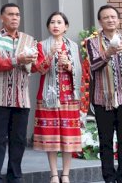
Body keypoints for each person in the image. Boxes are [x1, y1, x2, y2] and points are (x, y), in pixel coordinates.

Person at [0, 3, 41, 183]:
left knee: (19, 140)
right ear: (2, 17)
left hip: (21, 98)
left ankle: (14, 174)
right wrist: (18, 59)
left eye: (17, 14)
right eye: (10, 14)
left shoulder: (30, 40)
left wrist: (40, 61)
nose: (15, 18)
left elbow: (37, 67)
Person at [87, 5, 122, 183]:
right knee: (106, 142)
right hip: (103, 99)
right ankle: (109, 179)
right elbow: (93, 66)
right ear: (100, 21)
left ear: (118, 20)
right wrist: (108, 54)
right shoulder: (92, 42)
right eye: (106, 18)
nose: (110, 20)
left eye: (113, 17)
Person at [33, 12, 83, 183]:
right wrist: (50, 55)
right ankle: (54, 173)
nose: (55, 25)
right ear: (48, 26)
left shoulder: (73, 47)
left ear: (66, 26)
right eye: (52, 22)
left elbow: (79, 72)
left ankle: (66, 174)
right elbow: (39, 69)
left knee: (68, 136)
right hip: (49, 97)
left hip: (69, 96)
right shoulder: (41, 45)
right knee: (52, 136)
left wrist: (68, 64)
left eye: (59, 22)